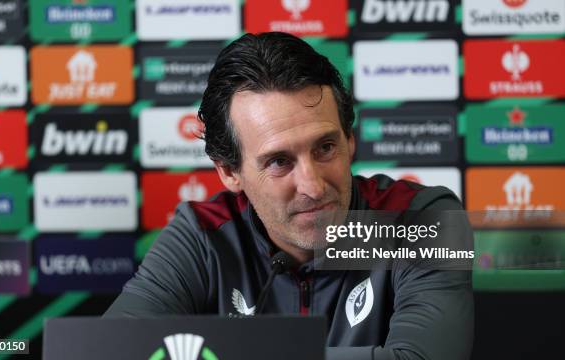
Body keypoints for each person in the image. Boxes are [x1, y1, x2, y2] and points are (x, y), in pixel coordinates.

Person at [105, 32, 473, 359]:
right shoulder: (203, 233)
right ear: (230, 172)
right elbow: (110, 350)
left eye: (326, 147)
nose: (313, 186)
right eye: (279, 161)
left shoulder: (422, 217)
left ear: (350, 140)